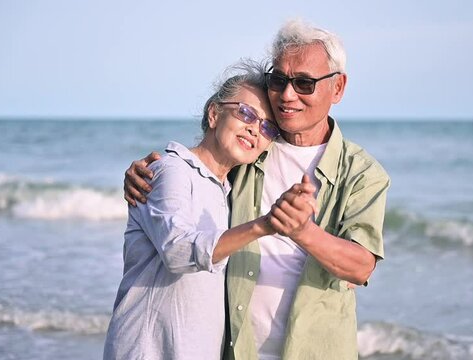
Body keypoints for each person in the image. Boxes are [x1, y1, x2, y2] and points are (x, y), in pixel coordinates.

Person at [124, 20, 391, 359]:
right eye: (278, 80)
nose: (288, 95)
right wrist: (144, 174)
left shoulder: (362, 173)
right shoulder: (252, 149)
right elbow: (198, 172)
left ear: (337, 88)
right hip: (236, 349)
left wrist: (302, 231)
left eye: (304, 83)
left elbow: (361, 266)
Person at [104, 60, 317, 360]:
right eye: (246, 113)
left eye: (266, 127)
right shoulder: (171, 170)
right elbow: (178, 252)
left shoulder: (228, 193)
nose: (254, 129)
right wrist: (264, 225)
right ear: (214, 113)